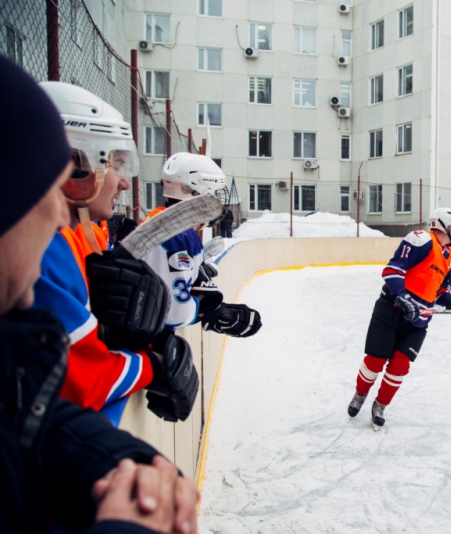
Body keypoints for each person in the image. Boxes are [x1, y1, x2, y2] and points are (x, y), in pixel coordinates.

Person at [0, 54, 197, 534]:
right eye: (110, 162)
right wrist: (150, 361)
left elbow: (26, 414)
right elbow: (80, 379)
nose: (59, 215)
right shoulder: (52, 249)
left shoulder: (82, 239)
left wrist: (104, 456)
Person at [32, 81, 198, 424]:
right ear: (75, 163)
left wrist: (115, 333)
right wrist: (150, 365)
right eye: (117, 165)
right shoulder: (43, 244)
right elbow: (83, 383)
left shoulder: (81, 230)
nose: (124, 182)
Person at [346, 208, 451, 429]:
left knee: (400, 366)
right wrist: (403, 296)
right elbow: (392, 270)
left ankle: (380, 404)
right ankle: (360, 393)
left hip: (419, 319)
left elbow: (440, 290)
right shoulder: (422, 239)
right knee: (375, 361)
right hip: (391, 309)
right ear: (443, 226)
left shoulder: (449, 256)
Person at [142, 152, 262, 337]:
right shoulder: (179, 234)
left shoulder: (155, 219)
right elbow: (175, 314)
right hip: (149, 343)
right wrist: (208, 313)